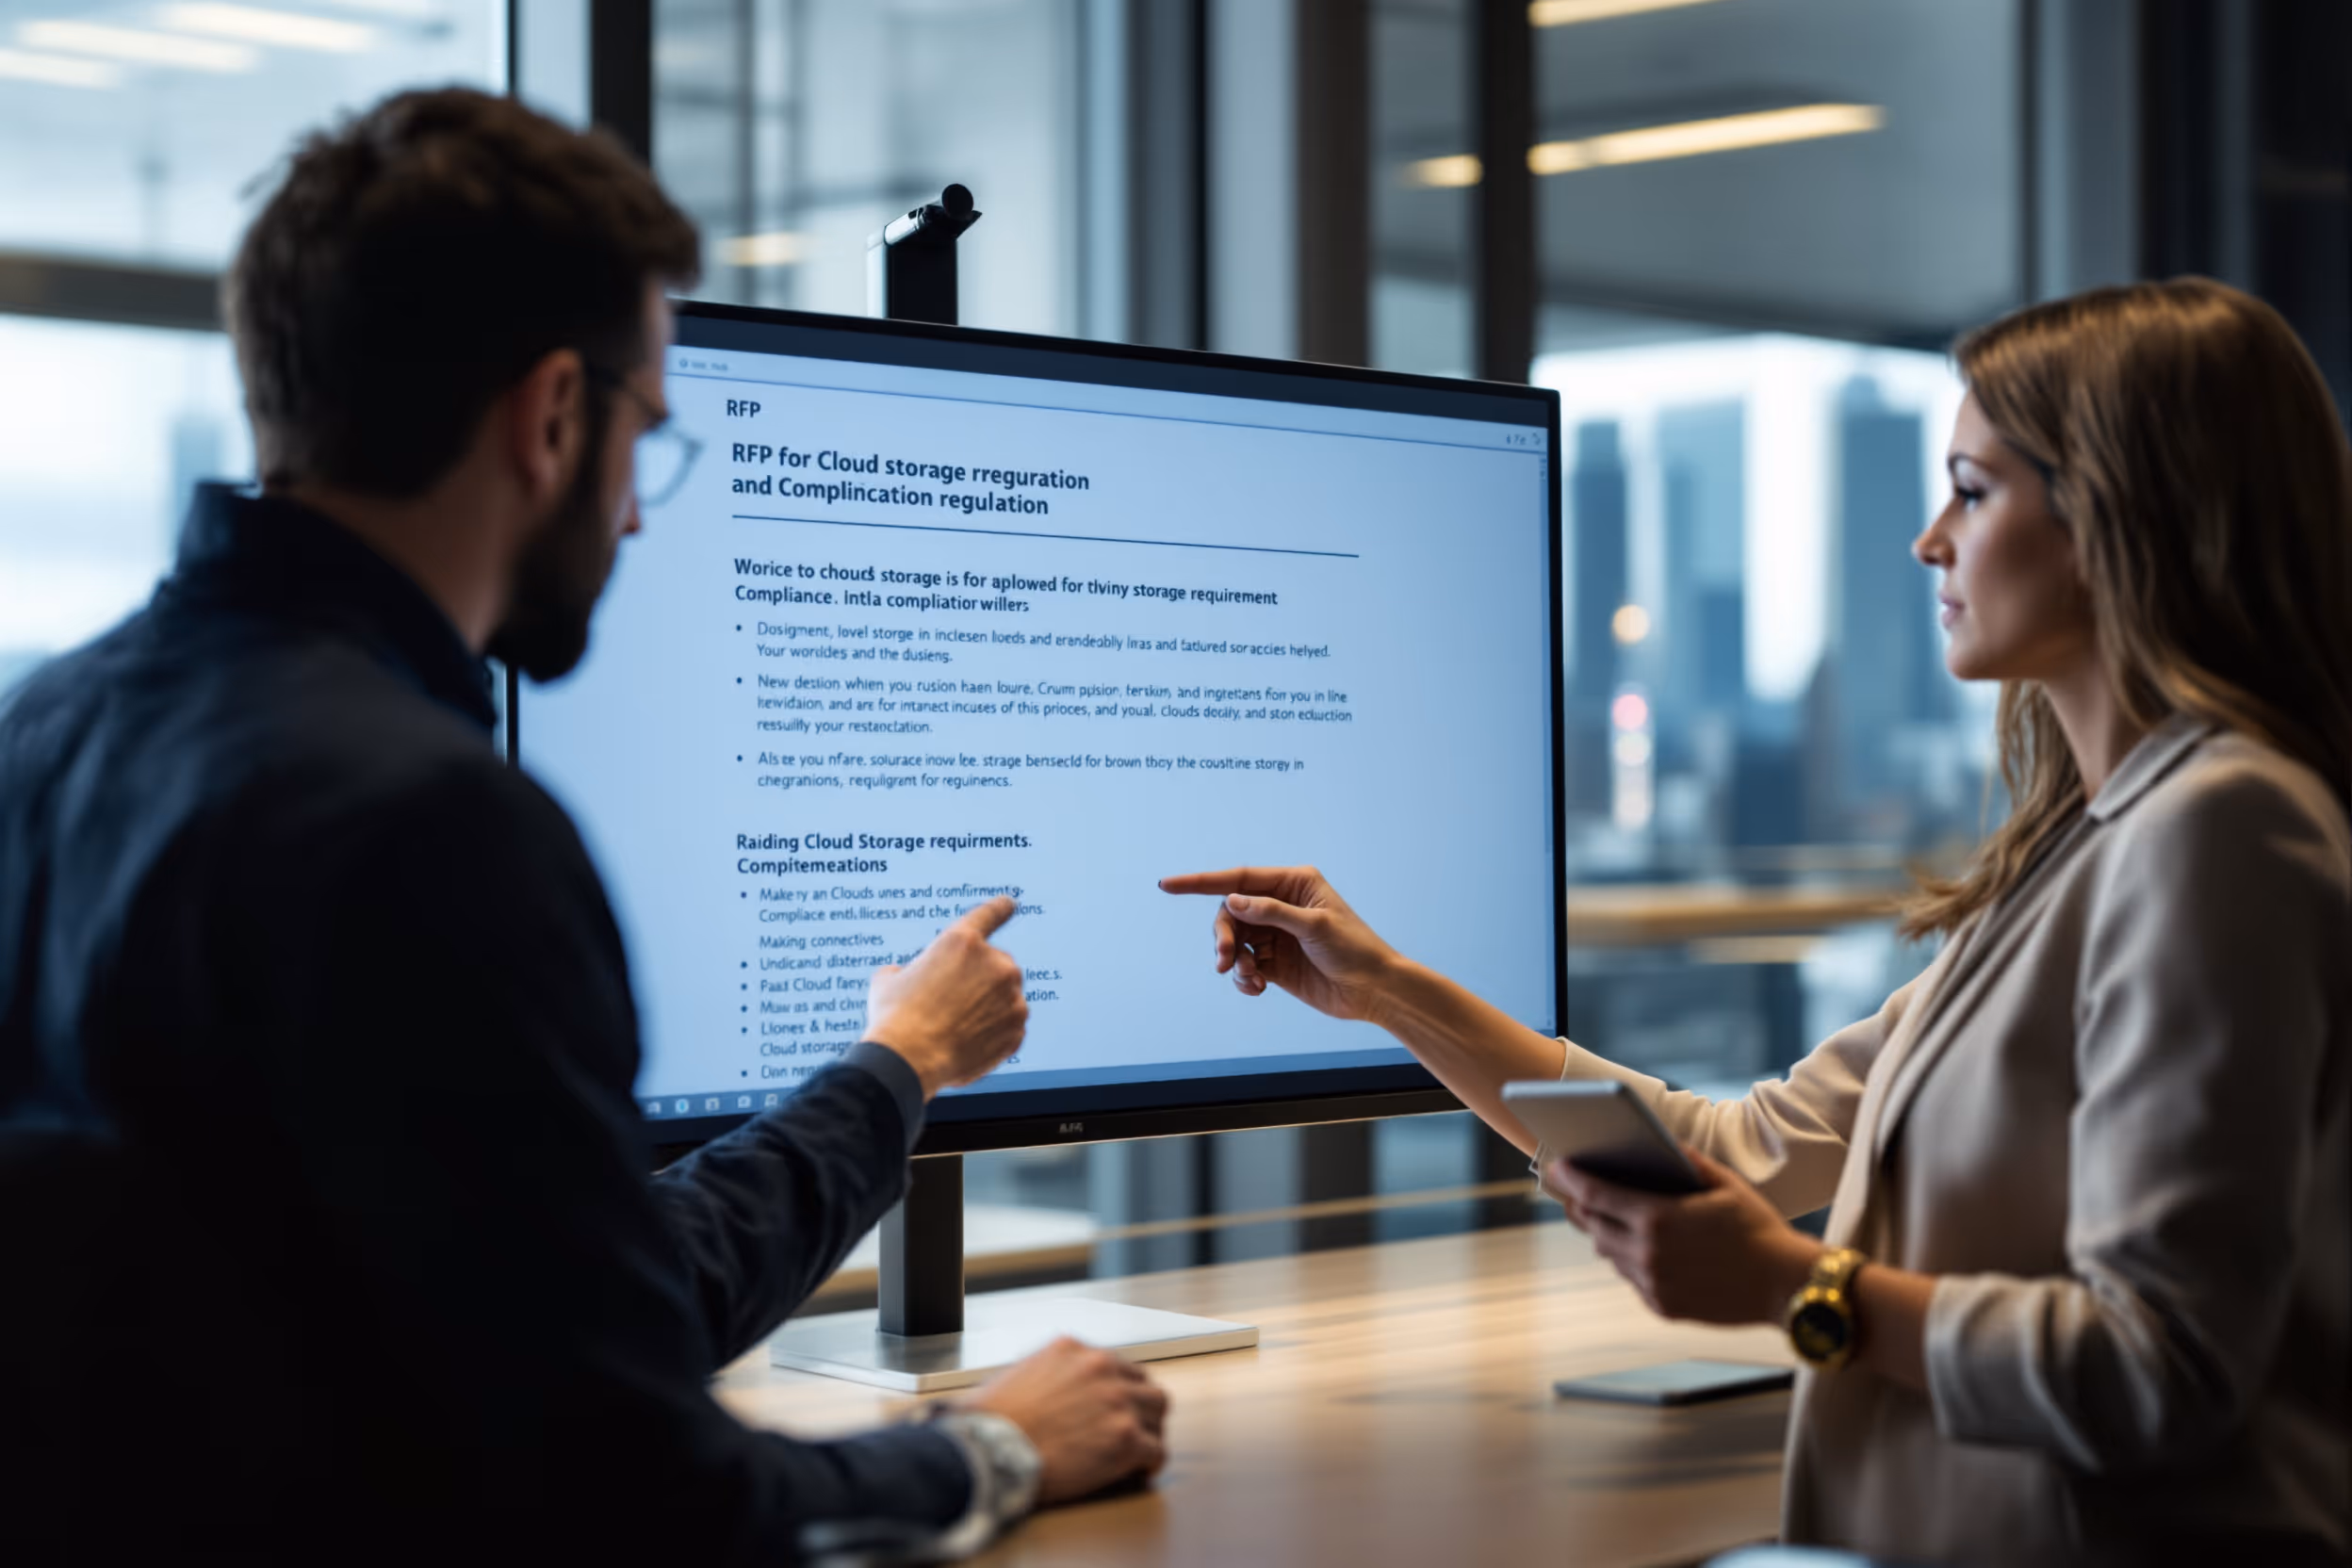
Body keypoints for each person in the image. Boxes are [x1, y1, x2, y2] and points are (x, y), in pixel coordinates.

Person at [0, 89, 1164, 1564]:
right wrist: (986, 1450)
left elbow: (555, 1297)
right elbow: (639, 1498)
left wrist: (899, 1067)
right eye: (647, 437)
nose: (633, 515)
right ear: (553, 415)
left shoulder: (48, 734)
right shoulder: (429, 825)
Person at [1165, 279, 2350, 1565]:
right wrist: (1387, 989)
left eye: (1974, 487)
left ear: (2121, 515)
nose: (1930, 540)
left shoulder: (2223, 829)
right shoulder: (2090, 846)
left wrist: (1804, 1293)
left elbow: (2161, 1367)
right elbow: (1745, 1148)